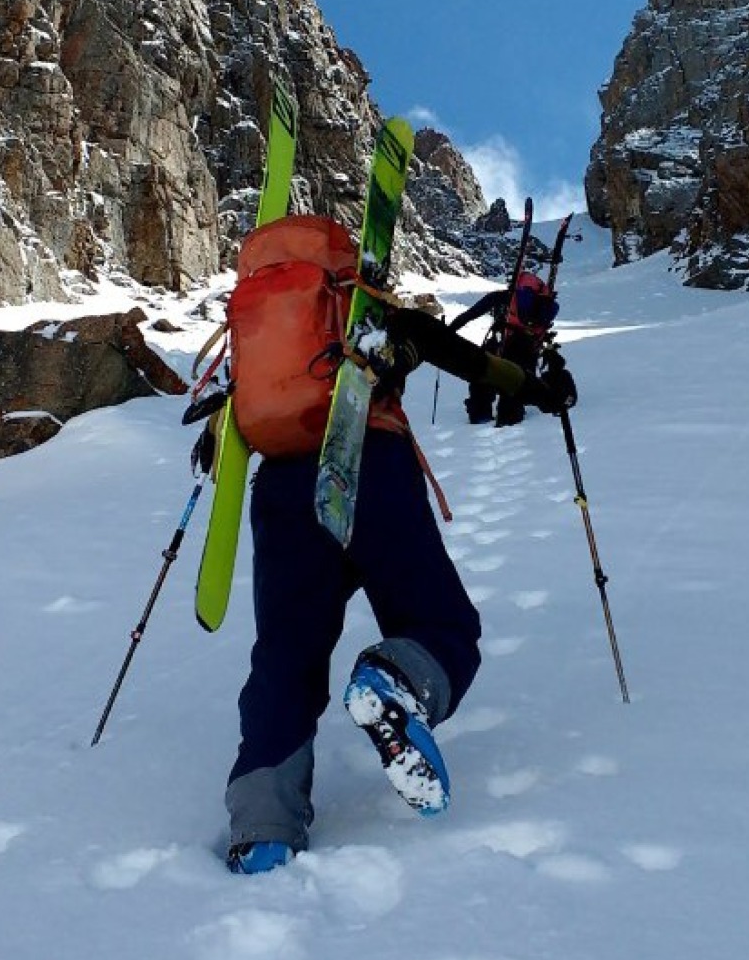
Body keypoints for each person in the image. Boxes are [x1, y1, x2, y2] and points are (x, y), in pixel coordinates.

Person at [222, 303, 576, 875]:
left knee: (286, 657)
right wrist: (538, 389)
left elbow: (228, 419)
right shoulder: (378, 314)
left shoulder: (260, 336)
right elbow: (476, 363)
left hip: (281, 486)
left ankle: (264, 832)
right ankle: (397, 681)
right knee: (440, 624)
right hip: (371, 463)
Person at [446, 265, 559, 428]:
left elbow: (470, 314)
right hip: (527, 348)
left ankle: (480, 416)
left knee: (482, 373)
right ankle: (510, 418)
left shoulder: (500, 297)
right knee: (516, 382)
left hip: (501, 345)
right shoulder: (539, 303)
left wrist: (448, 331)